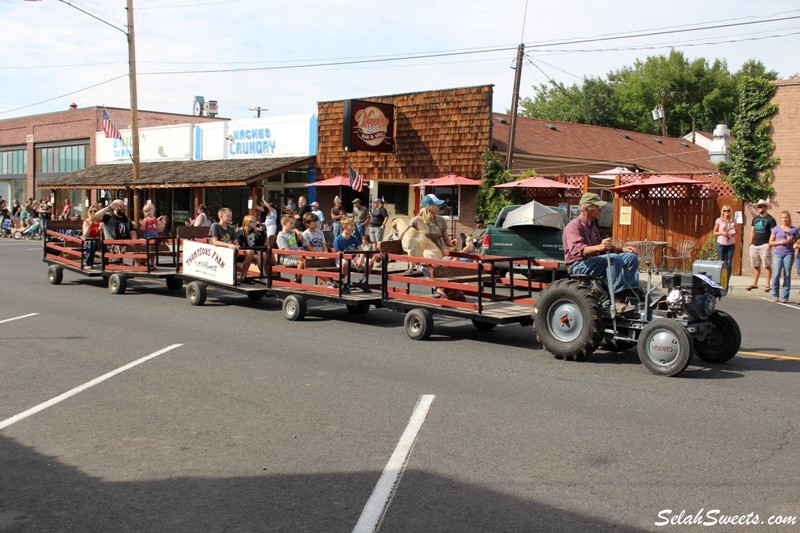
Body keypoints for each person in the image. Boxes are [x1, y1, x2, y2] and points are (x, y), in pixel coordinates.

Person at [563, 193, 639, 312]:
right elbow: (577, 249)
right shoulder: (574, 226)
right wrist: (599, 247)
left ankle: (631, 294)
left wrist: (622, 249)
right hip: (578, 265)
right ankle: (617, 300)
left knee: (630, 257)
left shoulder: (592, 227)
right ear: (588, 208)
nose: (600, 209)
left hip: (592, 262)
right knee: (612, 258)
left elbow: (603, 246)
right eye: (598, 206)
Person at [399, 194, 459, 299]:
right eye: (436, 205)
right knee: (426, 267)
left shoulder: (441, 220)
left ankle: (451, 290)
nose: (439, 207)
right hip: (421, 258)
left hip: (438, 255)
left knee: (448, 265)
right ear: (429, 207)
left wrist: (452, 243)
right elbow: (406, 238)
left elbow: (447, 241)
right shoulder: (415, 221)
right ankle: (440, 291)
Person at [333, 216, 371, 294]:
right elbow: (339, 254)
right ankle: (345, 283)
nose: (353, 228)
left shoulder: (354, 238)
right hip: (343, 259)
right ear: (345, 227)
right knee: (344, 263)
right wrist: (351, 260)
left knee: (370, 261)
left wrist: (360, 260)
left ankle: (364, 281)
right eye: (351, 226)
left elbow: (361, 251)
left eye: (353, 225)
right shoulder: (338, 239)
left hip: (354, 258)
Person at [746, 199, 776, 292]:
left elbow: (773, 233)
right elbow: (752, 231)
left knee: (767, 265)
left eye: (760, 206)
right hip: (754, 245)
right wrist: (750, 243)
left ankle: (767, 284)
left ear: (765, 207)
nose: (758, 208)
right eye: (758, 207)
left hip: (765, 245)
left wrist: (769, 244)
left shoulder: (770, 219)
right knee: (755, 265)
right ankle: (754, 283)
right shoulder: (755, 218)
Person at [768, 210, 796, 304]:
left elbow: (796, 243)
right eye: (783, 217)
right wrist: (780, 242)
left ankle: (785, 297)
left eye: (786, 217)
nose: (784, 219)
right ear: (781, 219)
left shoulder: (794, 230)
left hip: (789, 253)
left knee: (787, 274)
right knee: (776, 274)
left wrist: (791, 241)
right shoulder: (776, 229)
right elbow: (770, 242)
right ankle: (775, 295)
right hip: (778, 253)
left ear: (789, 218)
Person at [97, 200, 136, 265]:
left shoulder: (127, 219)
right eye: (120, 206)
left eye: (124, 206)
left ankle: (142, 263)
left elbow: (132, 231)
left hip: (126, 243)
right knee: (118, 246)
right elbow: (97, 216)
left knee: (143, 243)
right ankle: (117, 263)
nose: (123, 208)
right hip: (112, 244)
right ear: (114, 207)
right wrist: (109, 207)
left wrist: (134, 240)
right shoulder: (109, 217)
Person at [238, 214, 265, 279]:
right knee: (258, 257)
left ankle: (263, 274)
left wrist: (259, 234)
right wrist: (254, 252)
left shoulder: (256, 231)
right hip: (244, 252)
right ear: (247, 223)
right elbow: (241, 245)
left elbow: (261, 243)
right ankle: (263, 275)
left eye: (255, 221)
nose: (255, 223)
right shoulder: (241, 232)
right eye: (252, 222)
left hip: (254, 250)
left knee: (263, 254)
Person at [713, 204, 736, 274]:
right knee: (721, 262)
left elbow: (736, 232)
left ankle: (727, 281)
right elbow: (714, 232)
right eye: (725, 210)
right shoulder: (719, 220)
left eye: (728, 210)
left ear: (730, 211)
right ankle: (720, 280)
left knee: (729, 262)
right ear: (722, 211)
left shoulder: (733, 220)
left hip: (731, 244)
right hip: (721, 243)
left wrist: (732, 233)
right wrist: (722, 233)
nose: (726, 212)